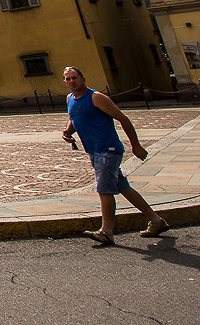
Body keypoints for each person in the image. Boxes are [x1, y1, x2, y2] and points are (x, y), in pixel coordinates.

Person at [62, 66, 169, 244]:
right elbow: (73, 117)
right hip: (94, 150)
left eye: (74, 77)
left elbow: (123, 118)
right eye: (68, 79)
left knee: (104, 189)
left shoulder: (96, 97)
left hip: (107, 149)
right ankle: (156, 220)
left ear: (83, 78)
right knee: (123, 187)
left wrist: (136, 146)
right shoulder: (70, 98)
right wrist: (68, 131)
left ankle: (106, 231)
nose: (72, 81)